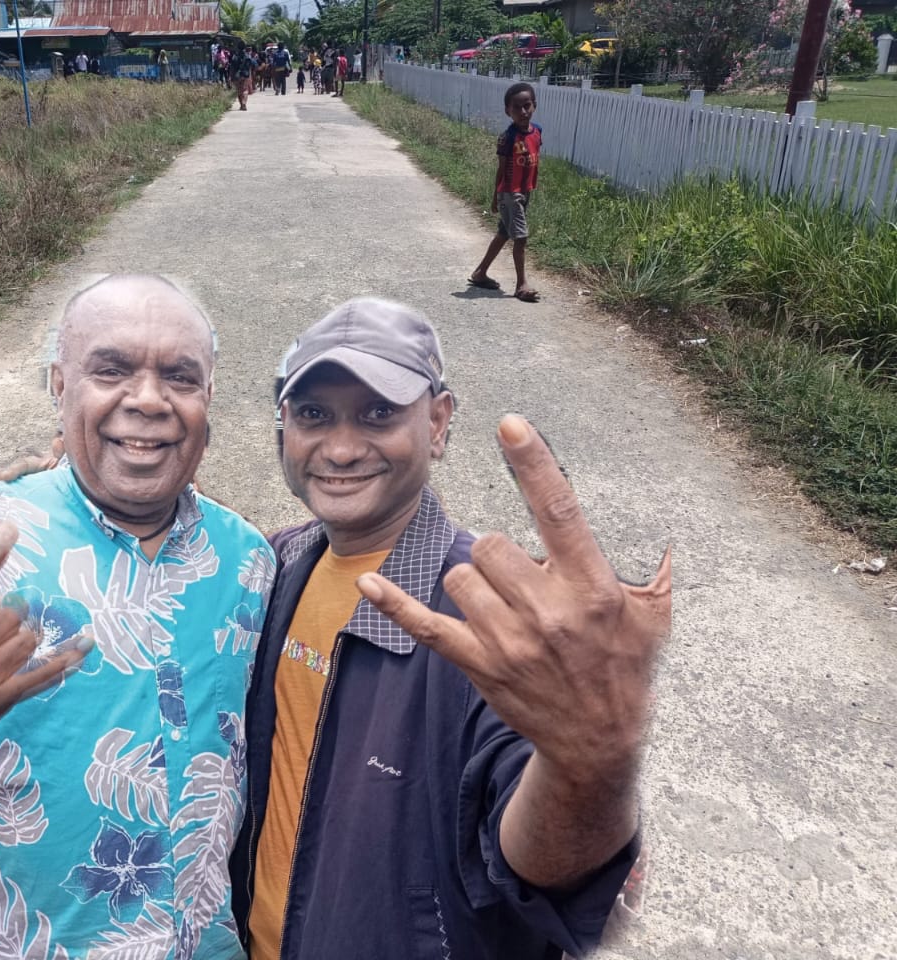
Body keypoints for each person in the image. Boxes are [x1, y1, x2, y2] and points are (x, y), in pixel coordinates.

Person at [0, 275, 276, 959]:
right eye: (112, 369)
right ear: (59, 384)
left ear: (207, 400)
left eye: (180, 377)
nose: (150, 399)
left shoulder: (248, 561)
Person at [229, 298, 669, 958]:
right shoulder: (277, 563)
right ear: (282, 427)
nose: (342, 448)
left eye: (379, 413)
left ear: (437, 422)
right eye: (314, 414)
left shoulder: (492, 619)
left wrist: (589, 767)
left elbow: (538, 865)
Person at [469, 82, 543, 302]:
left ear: (534, 106)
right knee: (520, 237)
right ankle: (522, 285)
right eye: (517, 108)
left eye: (527, 106)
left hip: (524, 191)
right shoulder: (507, 137)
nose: (523, 112)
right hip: (510, 193)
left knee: (504, 233)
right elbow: (501, 169)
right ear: (507, 111)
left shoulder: (537, 131)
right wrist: (495, 197)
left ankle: (480, 273)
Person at [233, 45, 254, 110]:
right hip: (246, 75)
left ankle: (241, 105)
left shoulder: (235, 56)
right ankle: (244, 102)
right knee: (245, 90)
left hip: (237, 75)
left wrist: (231, 75)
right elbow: (252, 65)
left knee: (239, 90)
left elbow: (232, 66)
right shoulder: (248, 56)